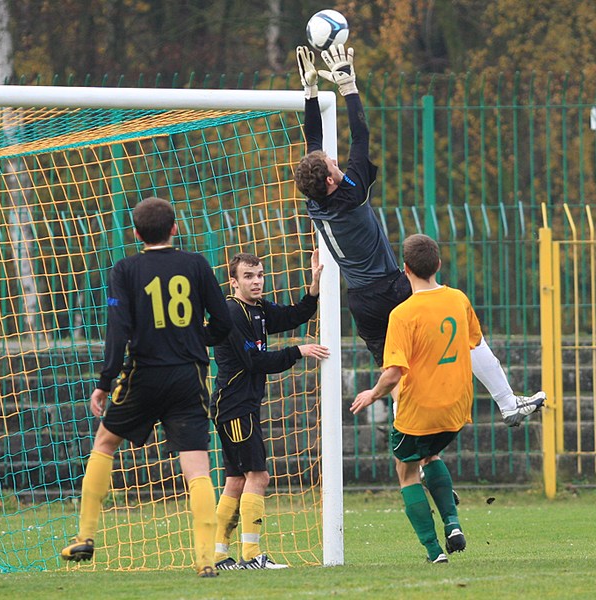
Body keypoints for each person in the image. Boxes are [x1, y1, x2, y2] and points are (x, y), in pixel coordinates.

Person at [293, 44, 544, 425]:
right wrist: (349, 85)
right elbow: (360, 135)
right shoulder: (353, 191)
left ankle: (411, 442)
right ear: (330, 179)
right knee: (460, 327)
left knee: (395, 373)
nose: (336, 160)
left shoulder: (314, 199)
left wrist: (310, 93)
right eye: (332, 163)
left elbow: (313, 144)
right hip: (394, 288)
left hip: (361, 302)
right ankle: (507, 402)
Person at [59, 196, 233, 578]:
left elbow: (118, 329)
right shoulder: (197, 265)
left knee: (105, 442)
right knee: (197, 467)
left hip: (144, 374)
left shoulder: (126, 269)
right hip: (188, 375)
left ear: (135, 233)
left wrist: (105, 381)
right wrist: (195, 338)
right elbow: (222, 321)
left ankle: (85, 537)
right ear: (175, 228)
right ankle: (206, 559)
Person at [351, 234, 477, 563]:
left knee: (406, 472)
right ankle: (452, 522)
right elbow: (474, 342)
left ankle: (435, 551)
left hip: (420, 410)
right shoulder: (459, 300)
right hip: (457, 409)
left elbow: (393, 373)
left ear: (404, 269)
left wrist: (371, 394)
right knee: (430, 456)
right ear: (438, 264)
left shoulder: (403, 314)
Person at [210, 250, 330, 571]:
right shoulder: (231, 313)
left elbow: (294, 316)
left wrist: (314, 287)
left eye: (260, 275)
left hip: (240, 405)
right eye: (248, 276)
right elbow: (254, 361)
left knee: (236, 480)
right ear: (233, 281)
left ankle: (220, 556)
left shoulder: (260, 308)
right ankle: (251, 556)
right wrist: (298, 350)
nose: (257, 282)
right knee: (258, 476)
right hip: (234, 406)